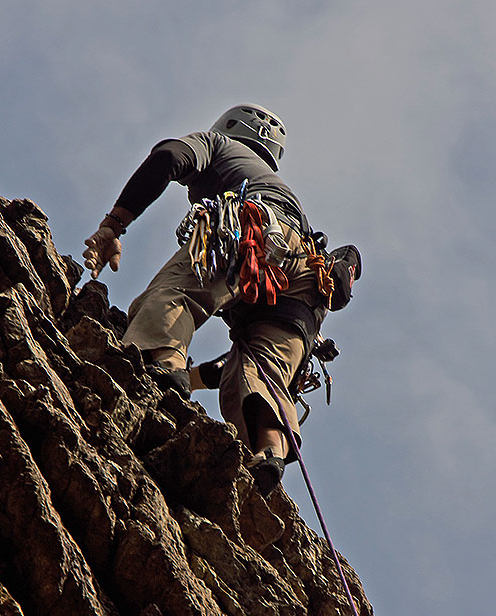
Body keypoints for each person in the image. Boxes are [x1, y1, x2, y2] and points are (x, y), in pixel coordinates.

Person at [83, 104, 360, 496]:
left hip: (253, 228)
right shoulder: (284, 192)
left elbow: (168, 157)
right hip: (304, 282)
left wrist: (113, 225)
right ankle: (268, 452)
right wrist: (192, 380)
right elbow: (225, 368)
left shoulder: (219, 145)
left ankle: (159, 363)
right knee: (257, 370)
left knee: (174, 293)